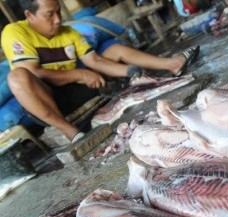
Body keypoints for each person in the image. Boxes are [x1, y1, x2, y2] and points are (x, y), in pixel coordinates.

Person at [1, 0, 199, 142]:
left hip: (76, 91)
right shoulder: (15, 32)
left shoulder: (68, 32)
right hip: (47, 100)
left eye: (58, 12)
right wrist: (79, 74)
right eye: (49, 14)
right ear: (29, 15)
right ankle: (72, 133)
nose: (57, 20)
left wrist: (131, 71)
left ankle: (171, 65)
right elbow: (32, 72)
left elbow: (94, 60)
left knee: (113, 50)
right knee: (17, 77)